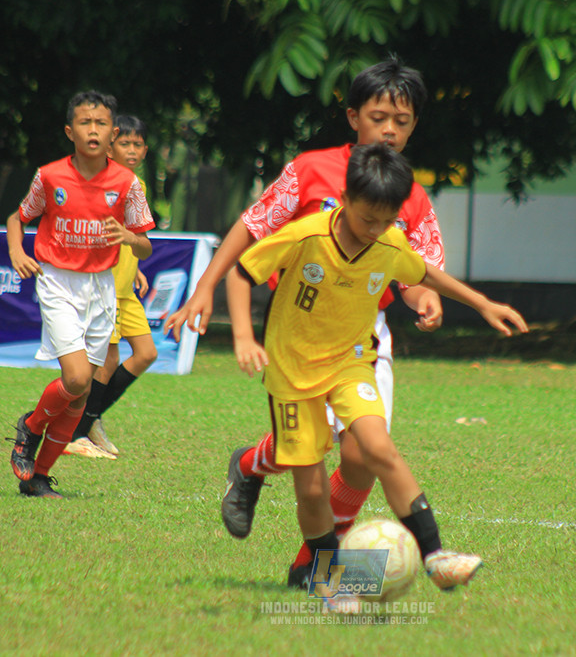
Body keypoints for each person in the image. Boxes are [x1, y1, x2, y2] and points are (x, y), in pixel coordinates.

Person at [165, 56, 445, 586]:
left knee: (363, 456)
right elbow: (251, 229)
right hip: (295, 330)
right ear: (352, 116)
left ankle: (302, 552)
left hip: (363, 337)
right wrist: (204, 289)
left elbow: (416, 270)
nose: (389, 130)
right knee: (310, 457)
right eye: (379, 116)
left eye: (402, 121)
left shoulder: (410, 191)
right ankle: (280, 513)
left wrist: (422, 298)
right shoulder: (310, 170)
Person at [226, 142, 528, 601]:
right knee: (309, 489)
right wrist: (244, 338)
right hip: (292, 372)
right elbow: (241, 273)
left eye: (387, 221)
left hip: (350, 364)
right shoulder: (307, 234)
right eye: (367, 218)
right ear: (344, 200)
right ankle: (324, 577)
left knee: (379, 448)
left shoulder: (388, 242)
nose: (376, 230)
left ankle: (436, 556)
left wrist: (483, 303)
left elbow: (425, 273)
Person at [6, 91, 155, 497]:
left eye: (102, 123)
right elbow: (17, 218)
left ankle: (37, 476)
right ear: (70, 131)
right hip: (58, 283)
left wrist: (128, 236)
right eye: (86, 123)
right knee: (75, 379)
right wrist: (17, 250)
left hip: (102, 288)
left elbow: (145, 245)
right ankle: (31, 426)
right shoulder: (50, 176)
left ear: (113, 132)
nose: (94, 130)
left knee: (81, 396)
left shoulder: (127, 184)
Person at [64, 114, 157, 459]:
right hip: (106, 287)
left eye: (138, 145)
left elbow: (130, 235)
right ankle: (76, 432)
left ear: (145, 151)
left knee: (146, 353)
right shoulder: (103, 184)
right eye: (125, 144)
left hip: (126, 287)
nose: (131, 151)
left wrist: (134, 269)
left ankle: (91, 418)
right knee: (107, 359)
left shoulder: (138, 185)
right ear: (111, 145)